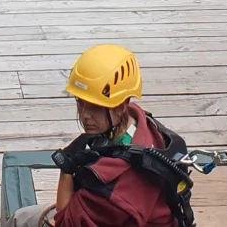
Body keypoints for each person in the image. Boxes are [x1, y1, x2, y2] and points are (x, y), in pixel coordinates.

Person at [10, 45, 193, 227]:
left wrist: (66, 169)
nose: (85, 115)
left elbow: (64, 222)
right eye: (80, 102)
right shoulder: (143, 124)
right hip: (126, 214)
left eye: (95, 107)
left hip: (98, 211)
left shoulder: (114, 185)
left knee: (20, 220)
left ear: (122, 106)